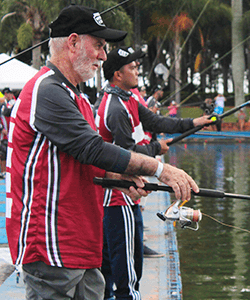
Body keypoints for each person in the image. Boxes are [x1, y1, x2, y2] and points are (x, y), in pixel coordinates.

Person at [5, 6, 200, 300]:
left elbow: (79, 161)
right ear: (72, 43)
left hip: (82, 241)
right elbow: (93, 148)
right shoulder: (47, 90)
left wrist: (121, 176)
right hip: (51, 244)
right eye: (99, 46)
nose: (104, 56)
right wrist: (162, 169)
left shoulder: (77, 96)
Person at [97, 46, 212, 300]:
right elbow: (125, 155)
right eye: (132, 67)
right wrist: (155, 148)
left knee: (120, 269)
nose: (137, 70)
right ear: (117, 74)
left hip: (128, 198)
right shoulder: (115, 108)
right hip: (117, 200)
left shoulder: (128, 99)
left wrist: (194, 124)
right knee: (127, 277)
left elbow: (157, 122)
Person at [0, 87, 15, 179]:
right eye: (9, 94)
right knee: (3, 151)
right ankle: (3, 171)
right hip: (3, 133)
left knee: (9, 151)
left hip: (9, 133)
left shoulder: (9, 104)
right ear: (5, 94)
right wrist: (1, 129)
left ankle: (8, 171)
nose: (11, 95)